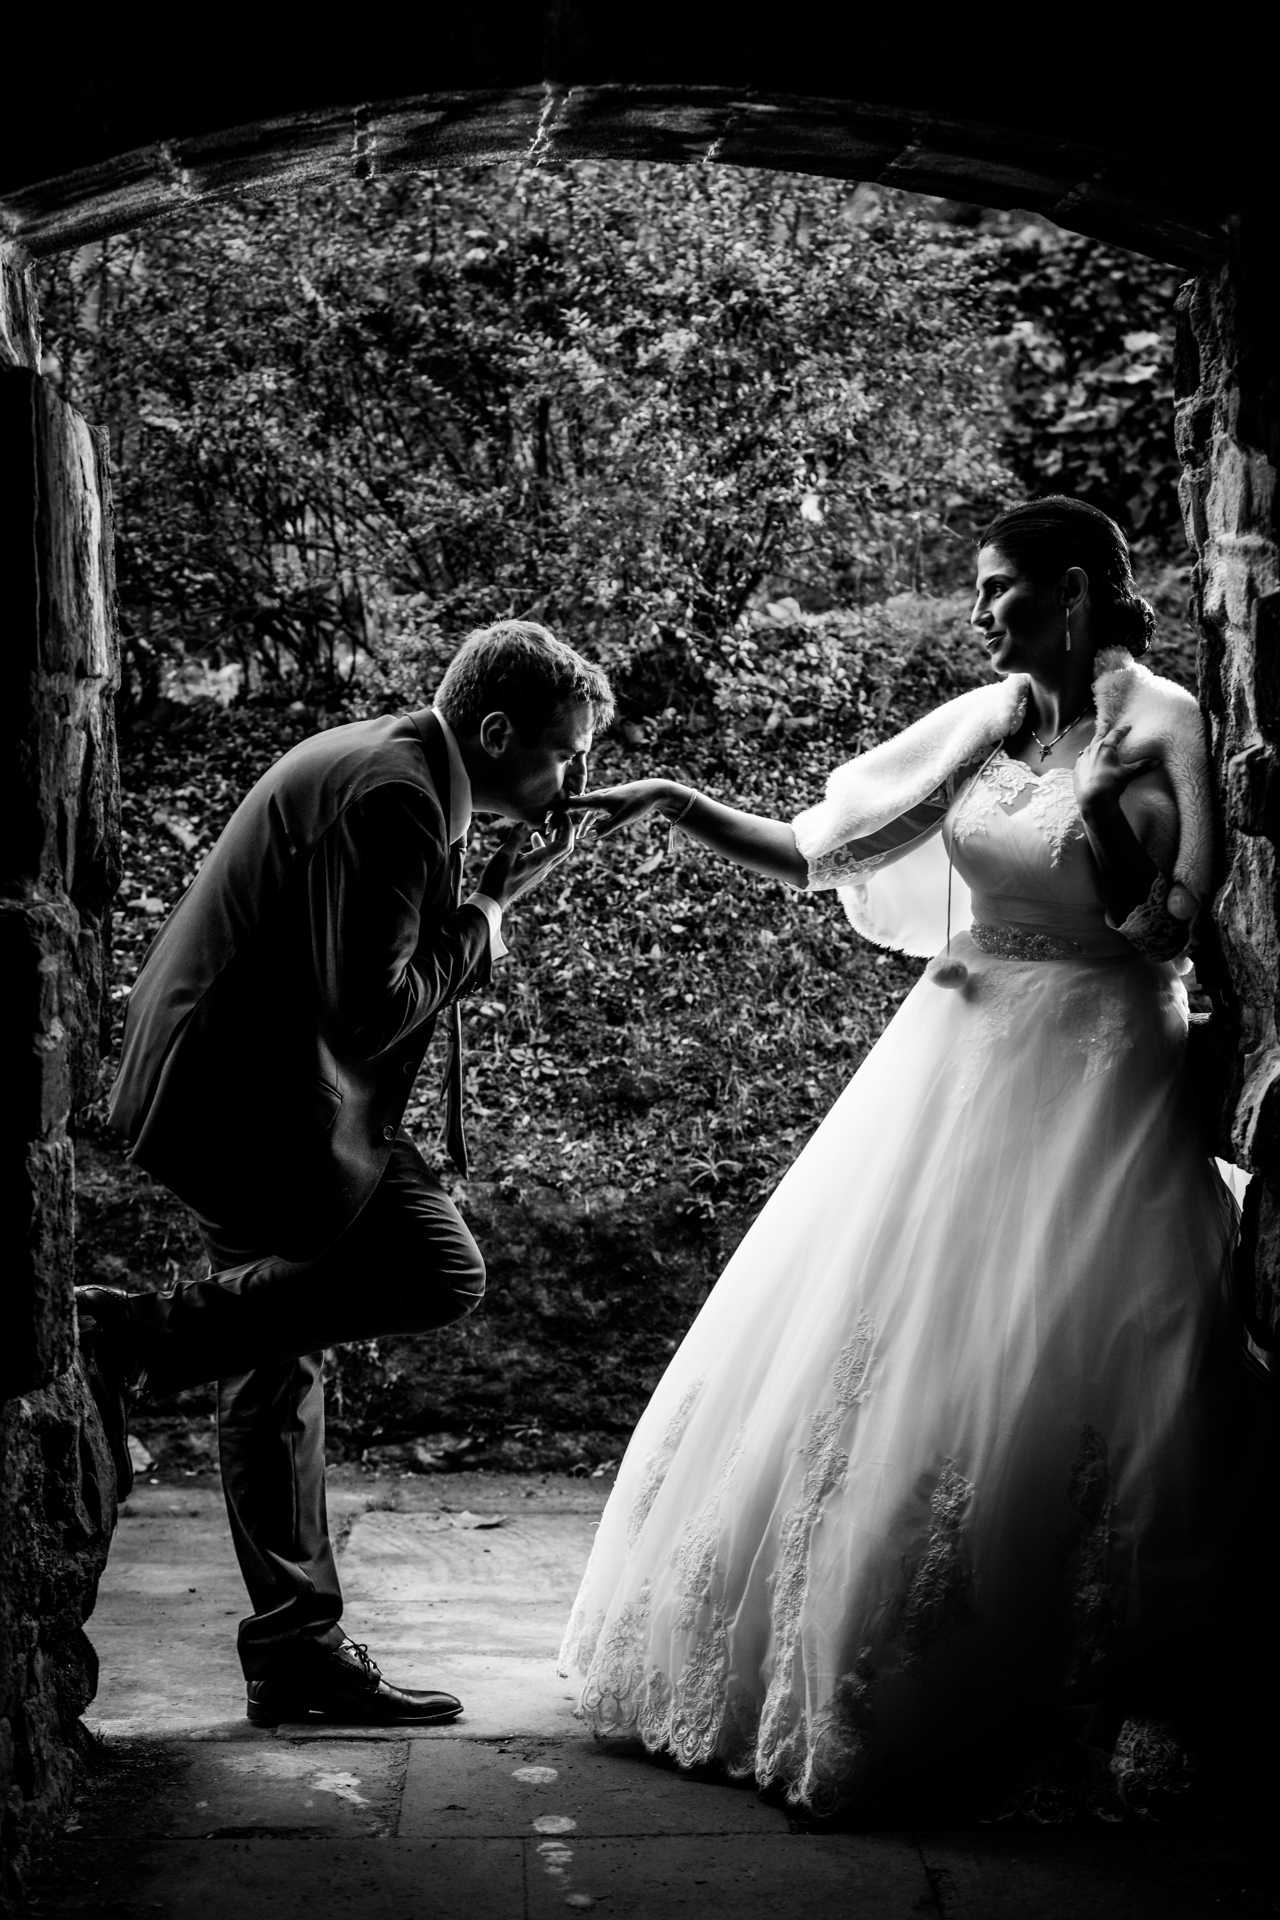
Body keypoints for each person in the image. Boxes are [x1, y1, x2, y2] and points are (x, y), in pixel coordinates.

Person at [558, 497, 1256, 1818]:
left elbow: (1169, 930)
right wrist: (672, 802)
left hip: (1097, 1058)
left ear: (1066, 590)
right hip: (955, 1046)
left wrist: (1103, 811)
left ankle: (1048, 1680)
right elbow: (827, 848)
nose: (978, 610)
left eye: (996, 588)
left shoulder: (1162, 719)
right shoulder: (989, 719)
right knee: (885, 1330)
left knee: (1058, 1339)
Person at [79, 620, 613, 1728]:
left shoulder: (403, 766)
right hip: (247, 1103)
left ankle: (294, 1652)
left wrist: (486, 891)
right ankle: (137, 1332)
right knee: (435, 1268)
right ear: (498, 729)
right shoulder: (398, 799)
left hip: (240, 1086)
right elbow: (369, 1008)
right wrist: (490, 915)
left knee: (271, 1356)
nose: (574, 779)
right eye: (564, 753)